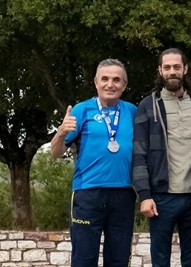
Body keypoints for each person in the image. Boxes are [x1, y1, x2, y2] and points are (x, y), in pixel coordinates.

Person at [133, 48, 191, 267]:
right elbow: (139, 153)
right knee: (160, 259)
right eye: (167, 67)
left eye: (177, 67)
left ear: (185, 69)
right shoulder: (147, 105)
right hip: (161, 197)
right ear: (160, 71)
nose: (172, 72)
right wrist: (144, 194)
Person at [50, 59, 137, 267]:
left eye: (117, 80)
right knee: (83, 259)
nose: (110, 84)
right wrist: (61, 133)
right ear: (96, 82)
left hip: (123, 193)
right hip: (87, 193)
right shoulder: (82, 110)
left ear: (124, 85)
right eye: (105, 79)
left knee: (118, 259)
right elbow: (55, 152)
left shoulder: (133, 112)